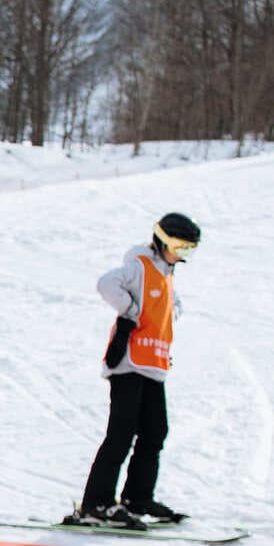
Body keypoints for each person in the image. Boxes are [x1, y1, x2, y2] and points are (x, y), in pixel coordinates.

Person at [75, 212, 198, 528]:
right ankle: (96, 504)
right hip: (129, 362)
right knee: (121, 432)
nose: (183, 256)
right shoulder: (140, 266)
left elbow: (172, 308)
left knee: (155, 432)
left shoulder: (165, 273)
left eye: (189, 251)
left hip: (153, 365)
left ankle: (137, 497)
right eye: (181, 248)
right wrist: (131, 310)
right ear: (163, 241)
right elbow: (106, 284)